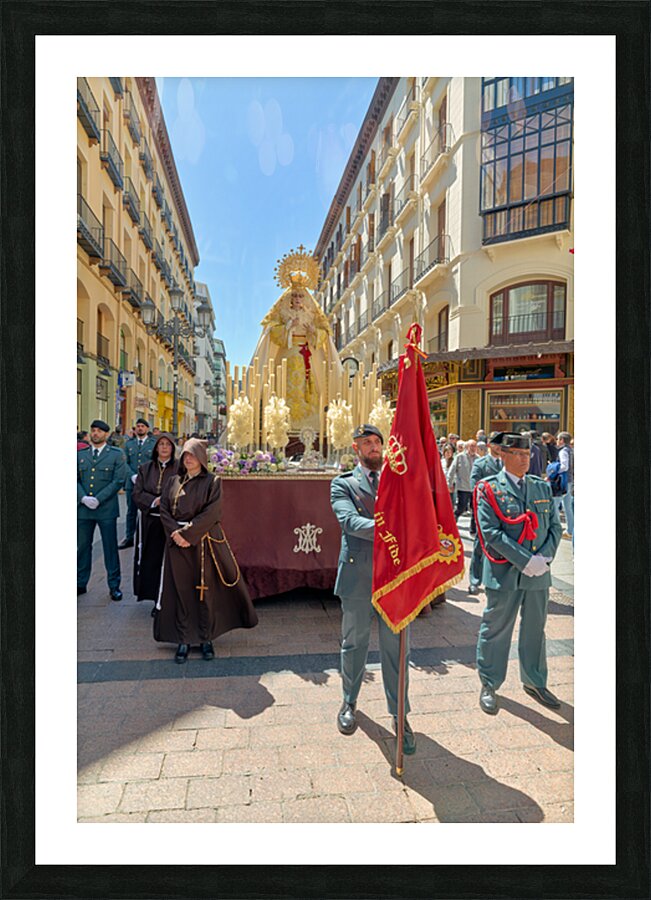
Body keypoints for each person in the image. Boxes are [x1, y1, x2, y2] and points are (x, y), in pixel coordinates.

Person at [330, 424, 415, 755]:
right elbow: (350, 523)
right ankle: (349, 702)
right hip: (359, 576)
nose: (374, 447)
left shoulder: (399, 482)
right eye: (367, 443)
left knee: (397, 651)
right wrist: (393, 528)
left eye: (378, 442)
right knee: (355, 644)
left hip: (395, 578)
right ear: (356, 448)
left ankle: (400, 716)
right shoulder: (343, 485)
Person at [474, 432, 562, 714]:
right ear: (503, 455)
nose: (526, 459)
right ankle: (489, 682)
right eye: (519, 455)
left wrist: (544, 559)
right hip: (505, 572)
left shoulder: (540, 486)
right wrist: (526, 561)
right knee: (496, 629)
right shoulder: (488, 488)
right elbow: (490, 533)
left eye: (528, 455)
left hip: (538, 573)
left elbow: (554, 527)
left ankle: (535, 680)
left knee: (536, 629)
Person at [156, 438, 258, 663]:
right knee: (181, 593)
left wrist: (188, 535)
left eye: (192, 454)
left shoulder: (213, 481)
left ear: (202, 458)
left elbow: (212, 513)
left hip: (204, 543)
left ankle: (206, 638)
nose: (188, 459)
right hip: (176, 544)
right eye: (185, 455)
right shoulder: (173, 481)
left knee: (205, 591)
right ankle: (183, 639)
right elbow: (164, 509)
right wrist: (175, 533)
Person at [77, 419, 128, 601]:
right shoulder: (80, 454)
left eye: (99, 431)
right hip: (83, 509)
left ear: (106, 434)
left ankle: (114, 585)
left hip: (106, 509)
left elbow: (118, 481)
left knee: (110, 548)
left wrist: (98, 499)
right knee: (82, 547)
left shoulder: (116, 454)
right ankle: (80, 583)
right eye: (93, 430)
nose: (95, 433)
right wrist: (82, 497)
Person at [132, 433, 179, 616]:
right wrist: (154, 501)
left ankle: (168, 599)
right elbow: (137, 494)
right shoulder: (145, 468)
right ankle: (155, 600)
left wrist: (166, 501)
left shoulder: (178, 468)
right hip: (150, 521)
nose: (165, 448)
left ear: (172, 448)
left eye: (168, 444)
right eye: (161, 444)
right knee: (152, 561)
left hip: (170, 523)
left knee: (168, 562)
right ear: (156, 448)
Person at [467, 432, 502, 595]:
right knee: (479, 546)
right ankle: (474, 580)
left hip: (504, 511)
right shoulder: (481, 464)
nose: (499, 447)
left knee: (501, 546)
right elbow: (475, 486)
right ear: (489, 445)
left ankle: (495, 579)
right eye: (496, 443)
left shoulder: (507, 463)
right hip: (486, 511)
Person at [119, 418, 157, 549]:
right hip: (132, 483)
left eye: (142, 426)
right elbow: (124, 463)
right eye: (138, 426)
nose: (140, 428)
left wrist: (147, 478)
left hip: (148, 484)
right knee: (131, 512)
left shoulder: (153, 444)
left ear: (147, 429)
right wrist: (132, 476)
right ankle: (129, 537)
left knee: (148, 511)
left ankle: (148, 538)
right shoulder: (129, 444)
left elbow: (155, 463)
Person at [449, 439, 474, 520]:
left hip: (475, 488)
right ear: (467, 447)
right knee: (461, 508)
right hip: (463, 487)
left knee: (475, 509)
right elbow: (452, 471)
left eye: (475, 446)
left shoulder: (478, 458)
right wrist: (449, 483)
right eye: (471, 446)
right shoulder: (460, 457)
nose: (473, 448)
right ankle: (453, 520)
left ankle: (473, 530)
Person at [556, 431, 574, 538]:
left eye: (558, 439)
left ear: (562, 440)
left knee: (554, 505)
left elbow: (564, 466)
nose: (557, 441)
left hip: (563, 481)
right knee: (567, 507)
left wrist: (554, 470)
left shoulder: (563, 451)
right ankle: (570, 530)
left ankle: (557, 530)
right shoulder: (571, 450)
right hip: (570, 480)